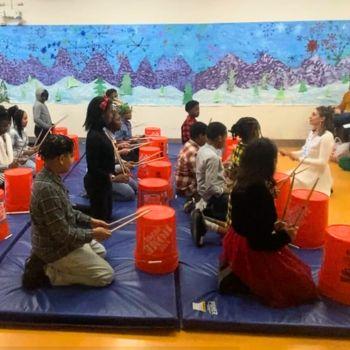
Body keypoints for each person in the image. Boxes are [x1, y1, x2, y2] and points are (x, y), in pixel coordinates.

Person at [219, 138, 317, 308]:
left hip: (235, 241)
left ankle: (238, 275)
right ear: (268, 163)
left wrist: (273, 225)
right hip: (250, 249)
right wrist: (286, 236)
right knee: (303, 284)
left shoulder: (242, 181)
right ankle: (240, 279)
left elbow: (251, 220)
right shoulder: (259, 191)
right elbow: (260, 243)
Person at [23, 134, 114, 290]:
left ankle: (64, 265)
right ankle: (50, 273)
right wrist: (93, 233)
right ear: (61, 159)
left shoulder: (51, 176)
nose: (73, 160)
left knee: (101, 251)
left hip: (63, 238)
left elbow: (69, 210)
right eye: (71, 156)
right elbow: (63, 235)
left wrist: (91, 221)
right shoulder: (46, 189)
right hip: (54, 249)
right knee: (106, 275)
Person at [84, 96, 129, 220]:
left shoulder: (102, 132)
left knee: (106, 215)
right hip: (97, 184)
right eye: (109, 112)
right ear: (101, 114)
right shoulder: (94, 136)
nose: (111, 115)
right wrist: (114, 177)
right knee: (101, 218)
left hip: (104, 182)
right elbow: (94, 168)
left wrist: (115, 173)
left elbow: (106, 161)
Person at [280, 106, 335, 196]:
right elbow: (305, 151)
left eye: (313, 114)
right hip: (306, 170)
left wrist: (299, 159)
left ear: (322, 118)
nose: (310, 117)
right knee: (282, 179)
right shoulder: (312, 133)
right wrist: (290, 154)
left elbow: (322, 162)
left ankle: (323, 185)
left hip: (316, 174)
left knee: (285, 184)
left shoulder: (327, 137)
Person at [191, 122, 229, 246]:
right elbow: (211, 187)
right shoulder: (212, 157)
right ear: (219, 138)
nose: (226, 140)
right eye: (225, 136)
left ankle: (201, 212)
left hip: (203, 191)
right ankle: (206, 222)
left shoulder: (203, 149)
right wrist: (225, 190)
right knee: (237, 201)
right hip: (212, 196)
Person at [104, 107, 137, 202]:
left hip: (111, 171)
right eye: (118, 120)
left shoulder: (111, 136)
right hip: (103, 179)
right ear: (109, 122)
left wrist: (123, 165)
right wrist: (115, 178)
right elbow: (100, 169)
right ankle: (98, 195)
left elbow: (112, 160)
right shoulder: (103, 140)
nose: (121, 122)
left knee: (135, 188)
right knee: (130, 195)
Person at [175, 122, 207, 211]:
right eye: (206, 136)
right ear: (200, 136)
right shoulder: (194, 152)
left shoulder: (190, 144)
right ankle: (193, 202)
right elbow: (201, 176)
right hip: (186, 189)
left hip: (183, 184)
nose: (207, 139)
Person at [8, 105, 37, 171]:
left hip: (25, 158)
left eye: (27, 118)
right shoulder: (12, 132)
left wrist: (32, 148)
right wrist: (25, 152)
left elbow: (24, 146)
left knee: (41, 160)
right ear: (19, 120)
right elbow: (10, 152)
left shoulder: (23, 130)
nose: (27, 120)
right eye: (25, 118)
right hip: (17, 162)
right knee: (35, 169)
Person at [0, 106, 17, 186]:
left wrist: (10, 165)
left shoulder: (6, 136)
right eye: (4, 126)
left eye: (7, 125)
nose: (6, 128)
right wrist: (8, 167)